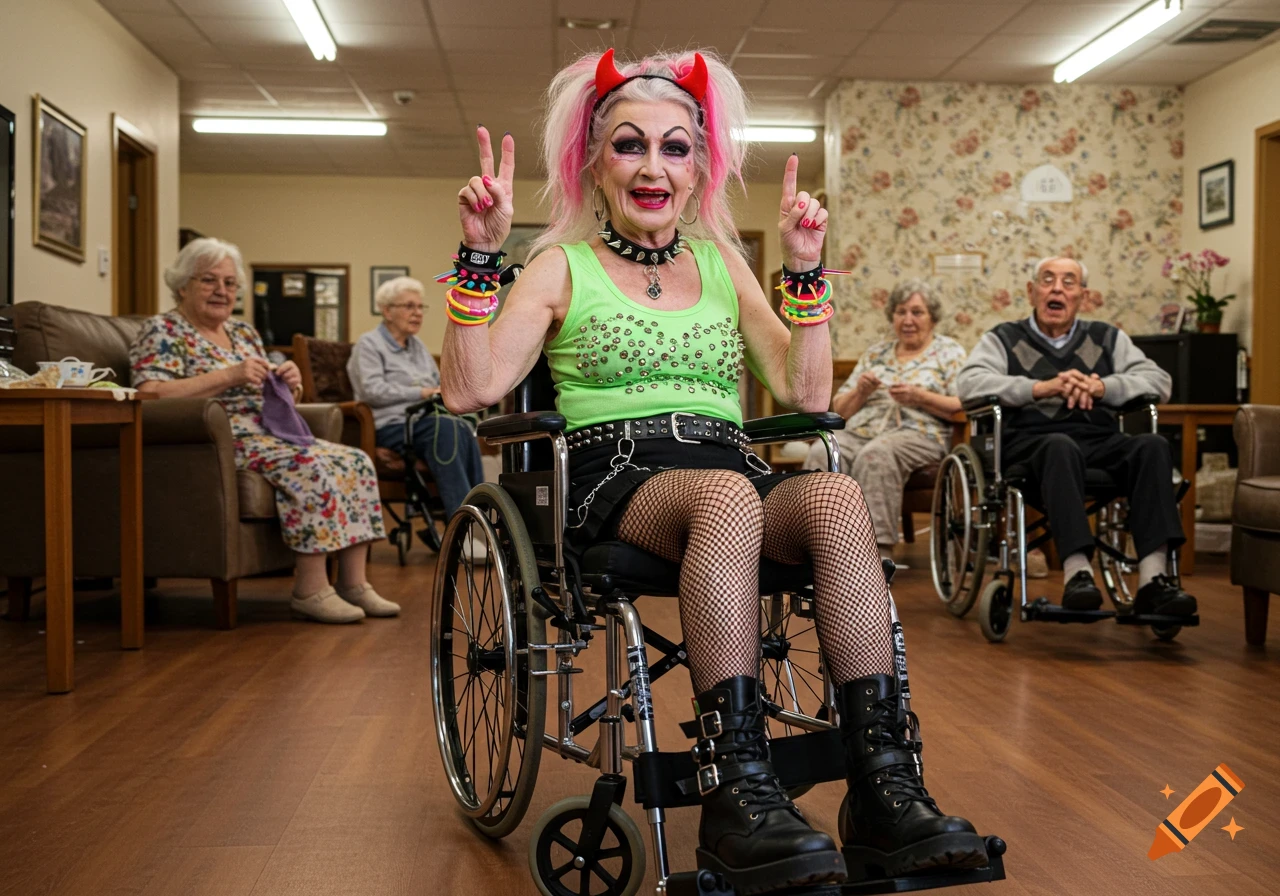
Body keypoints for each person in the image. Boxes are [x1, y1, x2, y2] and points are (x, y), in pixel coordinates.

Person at [438, 48, 987, 893]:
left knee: (836, 494)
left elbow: (807, 392)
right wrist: (479, 255)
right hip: (613, 474)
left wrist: (805, 272)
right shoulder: (561, 265)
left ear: (702, 167)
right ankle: (737, 790)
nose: (653, 165)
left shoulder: (724, 265)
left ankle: (885, 788)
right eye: (629, 145)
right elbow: (471, 387)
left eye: (675, 147)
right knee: (732, 493)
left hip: (726, 465)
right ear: (594, 160)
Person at [130, 238, 399, 624]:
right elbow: (149, 392)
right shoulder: (162, 330)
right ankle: (310, 589)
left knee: (354, 459)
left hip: (266, 432)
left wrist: (290, 383)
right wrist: (229, 375)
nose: (221, 291)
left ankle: (354, 584)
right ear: (182, 285)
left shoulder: (242, 333)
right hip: (219, 440)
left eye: (229, 283)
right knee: (309, 463)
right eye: (209, 280)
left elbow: (268, 391)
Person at [957, 256, 1196, 616]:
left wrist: (1103, 386)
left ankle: (1153, 580)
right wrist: (1039, 387)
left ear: (1082, 296)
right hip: (1030, 446)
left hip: (1098, 441)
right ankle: (1078, 574)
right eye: (1048, 279)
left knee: (1152, 445)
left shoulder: (1107, 338)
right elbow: (970, 384)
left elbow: (1159, 382)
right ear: (1031, 291)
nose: (1057, 288)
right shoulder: (1003, 338)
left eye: (1069, 282)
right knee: (1059, 445)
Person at [803, 280, 964, 563]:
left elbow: (962, 406)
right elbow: (840, 409)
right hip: (864, 428)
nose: (908, 320)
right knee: (822, 451)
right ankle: (818, 546)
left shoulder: (950, 353)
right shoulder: (877, 353)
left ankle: (877, 554)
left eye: (917, 312)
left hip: (918, 433)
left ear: (932, 318)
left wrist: (920, 397)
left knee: (876, 455)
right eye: (901, 312)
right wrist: (861, 390)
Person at [348, 276, 487, 552]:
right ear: (387, 311)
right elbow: (371, 391)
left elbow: (439, 384)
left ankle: (477, 522)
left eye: (421, 307)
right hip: (392, 426)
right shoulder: (369, 345)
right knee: (446, 431)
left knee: (464, 428)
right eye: (409, 306)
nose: (417, 313)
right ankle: (462, 533)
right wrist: (422, 392)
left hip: (425, 422)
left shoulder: (418, 347)